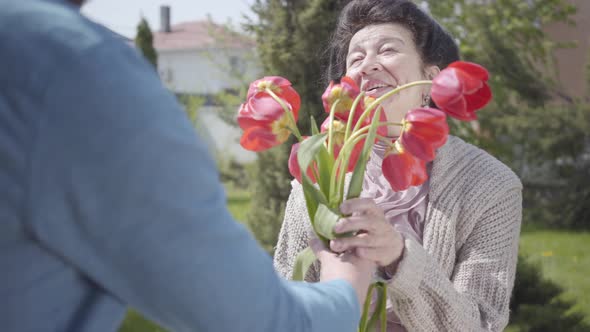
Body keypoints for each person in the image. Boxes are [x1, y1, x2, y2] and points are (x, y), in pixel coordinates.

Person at [0, 0, 377, 331]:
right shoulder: (73, 66)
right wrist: (345, 289)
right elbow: (257, 318)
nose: (367, 68)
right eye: (356, 56)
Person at [274, 0, 523, 331]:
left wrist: (399, 257)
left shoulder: (490, 185)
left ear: (431, 77)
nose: (368, 65)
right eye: (356, 58)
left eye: (387, 50)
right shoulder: (318, 174)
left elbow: (481, 323)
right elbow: (283, 303)